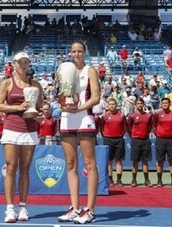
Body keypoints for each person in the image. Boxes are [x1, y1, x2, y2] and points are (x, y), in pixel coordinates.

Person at [0, 51, 43, 223]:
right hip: (11, 128)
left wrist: (39, 114)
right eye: (20, 62)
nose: (23, 65)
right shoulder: (6, 83)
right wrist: (18, 108)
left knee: (24, 168)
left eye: (25, 62)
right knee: (10, 167)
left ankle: (23, 206)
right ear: (14, 64)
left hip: (29, 129)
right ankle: (9, 208)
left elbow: (39, 107)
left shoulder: (36, 84)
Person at [58, 41, 100, 224]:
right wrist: (63, 103)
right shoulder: (63, 70)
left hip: (84, 118)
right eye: (73, 51)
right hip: (67, 118)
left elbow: (96, 97)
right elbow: (61, 95)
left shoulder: (90, 70)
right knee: (70, 163)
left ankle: (90, 210)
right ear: (70, 53)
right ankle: (75, 208)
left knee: (90, 164)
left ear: (85, 52)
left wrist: (79, 108)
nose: (76, 54)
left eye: (80, 51)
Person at [152, 98, 172, 187]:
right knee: (160, 161)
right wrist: (158, 134)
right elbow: (154, 125)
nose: (165, 104)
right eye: (163, 103)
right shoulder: (157, 114)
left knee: (171, 161)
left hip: (171, 140)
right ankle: (159, 181)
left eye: (166, 103)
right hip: (160, 139)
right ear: (161, 104)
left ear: (169, 104)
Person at [100, 98, 127, 188]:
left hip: (119, 140)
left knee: (119, 161)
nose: (112, 106)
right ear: (108, 106)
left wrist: (121, 134)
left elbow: (125, 127)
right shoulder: (104, 116)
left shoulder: (122, 116)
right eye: (110, 104)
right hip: (108, 140)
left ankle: (119, 180)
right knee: (109, 161)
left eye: (113, 104)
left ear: (116, 105)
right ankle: (110, 180)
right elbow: (101, 127)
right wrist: (105, 135)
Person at [128, 98, 153, 187]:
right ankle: (134, 180)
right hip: (136, 140)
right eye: (138, 103)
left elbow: (150, 126)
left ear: (143, 104)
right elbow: (129, 128)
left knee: (145, 161)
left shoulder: (148, 116)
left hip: (145, 140)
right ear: (135, 104)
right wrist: (134, 136)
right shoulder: (132, 116)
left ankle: (146, 180)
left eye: (141, 103)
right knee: (135, 161)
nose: (140, 105)